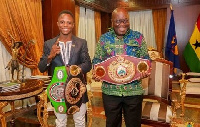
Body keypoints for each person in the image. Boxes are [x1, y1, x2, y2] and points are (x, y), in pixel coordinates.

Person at [92, 8, 149, 127]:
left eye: (125, 21)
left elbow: (145, 59)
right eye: (118, 21)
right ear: (112, 21)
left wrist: (144, 70)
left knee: (134, 124)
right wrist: (96, 72)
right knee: (112, 124)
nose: (122, 24)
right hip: (110, 91)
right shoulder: (104, 39)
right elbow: (97, 60)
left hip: (133, 90)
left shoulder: (138, 37)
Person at [38, 10, 92, 127]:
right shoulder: (49, 44)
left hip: (77, 88)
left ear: (73, 25)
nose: (65, 25)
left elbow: (87, 64)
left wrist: (73, 69)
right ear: (58, 23)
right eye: (62, 22)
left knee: (80, 121)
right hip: (58, 90)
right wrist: (50, 56)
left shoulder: (81, 43)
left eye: (69, 23)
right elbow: (41, 67)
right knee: (60, 122)